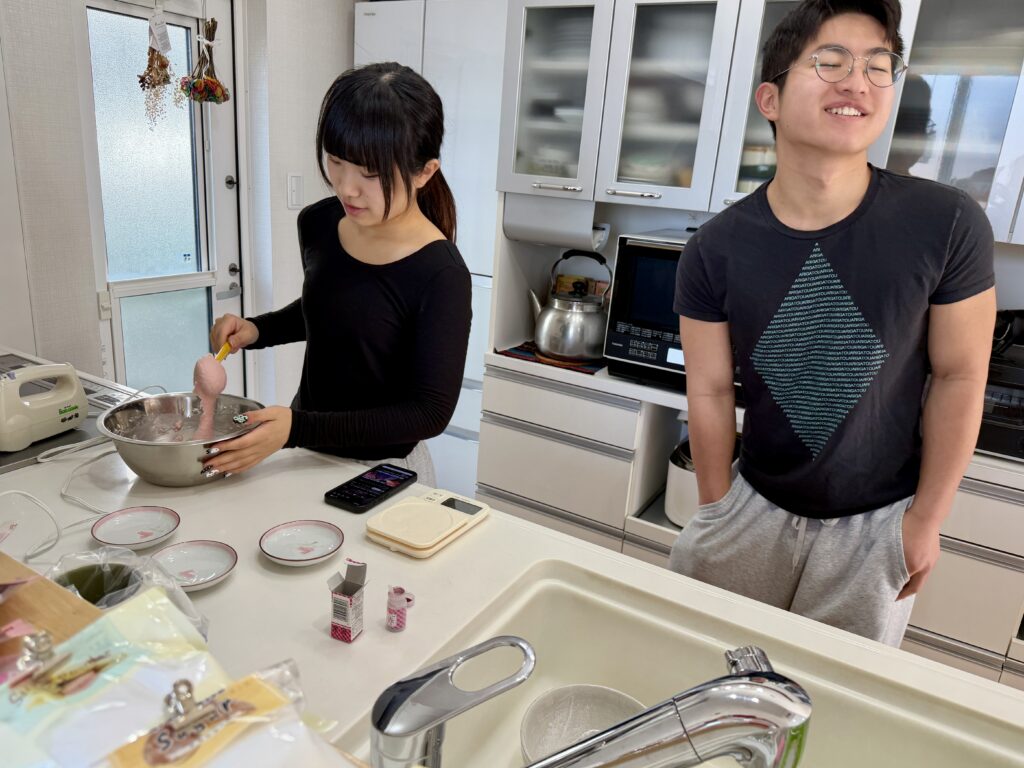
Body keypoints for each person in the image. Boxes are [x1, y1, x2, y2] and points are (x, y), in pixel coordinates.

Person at [669, 0, 996, 646]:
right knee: (703, 667)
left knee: (830, 696)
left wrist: (925, 520)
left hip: (877, 527)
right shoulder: (715, 247)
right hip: (752, 503)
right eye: (831, 61)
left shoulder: (947, 224)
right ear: (770, 98)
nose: (858, 82)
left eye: (878, 65)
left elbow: (961, 376)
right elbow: (708, 389)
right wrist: (715, 506)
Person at [203, 63, 472, 486]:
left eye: (371, 173)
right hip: (303, 453)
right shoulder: (319, 223)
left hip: (385, 470)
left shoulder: (441, 274)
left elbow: (428, 413)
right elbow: (336, 307)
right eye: (336, 161)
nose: (347, 187)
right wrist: (257, 329)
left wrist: (297, 428)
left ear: (424, 172)